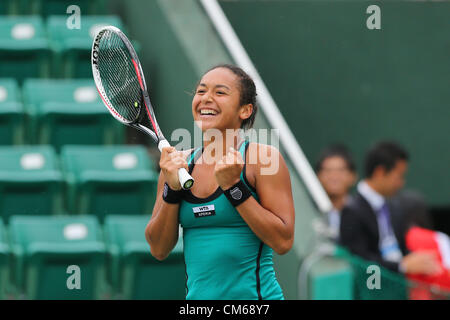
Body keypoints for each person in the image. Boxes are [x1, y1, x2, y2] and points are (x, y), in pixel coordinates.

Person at [145, 64, 295, 300]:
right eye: (201, 91)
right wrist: (172, 191)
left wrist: (234, 188)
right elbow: (159, 248)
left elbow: (283, 241)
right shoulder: (177, 166)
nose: (206, 99)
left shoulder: (263, 159)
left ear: (245, 110)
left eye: (220, 92)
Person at [339, 141, 441, 276]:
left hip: (397, 287)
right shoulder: (351, 211)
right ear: (380, 172)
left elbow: (400, 251)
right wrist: (401, 266)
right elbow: (358, 262)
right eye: (399, 176)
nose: (401, 183)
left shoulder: (394, 206)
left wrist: (418, 260)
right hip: (372, 290)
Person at [315, 144, 357, 240]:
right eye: (328, 170)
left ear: (353, 176)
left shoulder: (362, 212)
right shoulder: (309, 212)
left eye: (340, 170)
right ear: (318, 176)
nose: (334, 177)